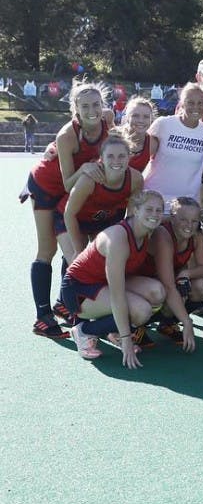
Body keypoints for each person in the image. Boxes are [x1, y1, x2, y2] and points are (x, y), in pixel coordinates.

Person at [24, 81, 111, 338]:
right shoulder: (67, 136)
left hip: (70, 192)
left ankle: (64, 303)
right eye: (85, 106)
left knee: (74, 247)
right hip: (46, 186)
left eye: (96, 104)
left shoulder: (108, 119)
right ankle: (42, 317)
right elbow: (67, 181)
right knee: (47, 249)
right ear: (75, 108)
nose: (92, 110)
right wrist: (85, 168)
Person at [60, 189, 167, 369]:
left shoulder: (147, 231)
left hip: (103, 284)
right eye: (149, 209)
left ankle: (112, 330)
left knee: (157, 292)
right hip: (79, 289)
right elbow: (117, 296)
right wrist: (127, 341)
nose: (154, 215)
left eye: (159, 210)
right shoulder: (118, 237)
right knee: (141, 310)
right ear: (135, 210)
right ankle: (84, 330)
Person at [56, 133, 144, 264]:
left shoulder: (136, 179)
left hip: (103, 219)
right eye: (110, 156)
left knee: (104, 260)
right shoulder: (89, 180)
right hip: (71, 217)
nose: (116, 161)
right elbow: (69, 213)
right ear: (101, 158)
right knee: (77, 262)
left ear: (129, 157)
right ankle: (69, 277)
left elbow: (131, 218)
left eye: (121, 156)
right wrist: (78, 249)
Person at [142, 197, 203, 351]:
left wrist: (185, 273)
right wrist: (187, 322)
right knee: (161, 292)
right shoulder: (162, 233)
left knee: (200, 287)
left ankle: (168, 324)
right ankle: (137, 327)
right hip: (144, 281)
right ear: (172, 218)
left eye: (194, 221)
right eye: (184, 220)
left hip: (168, 279)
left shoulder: (197, 236)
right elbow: (166, 283)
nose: (189, 226)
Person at [143, 82, 203, 210]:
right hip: (153, 199)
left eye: (200, 103)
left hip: (185, 206)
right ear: (182, 103)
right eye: (190, 102)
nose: (195, 107)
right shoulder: (164, 124)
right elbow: (142, 156)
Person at [119, 96, 155, 171]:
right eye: (135, 116)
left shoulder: (153, 143)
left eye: (146, 117)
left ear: (151, 120)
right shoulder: (115, 137)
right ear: (127, 117)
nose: (141, 120)